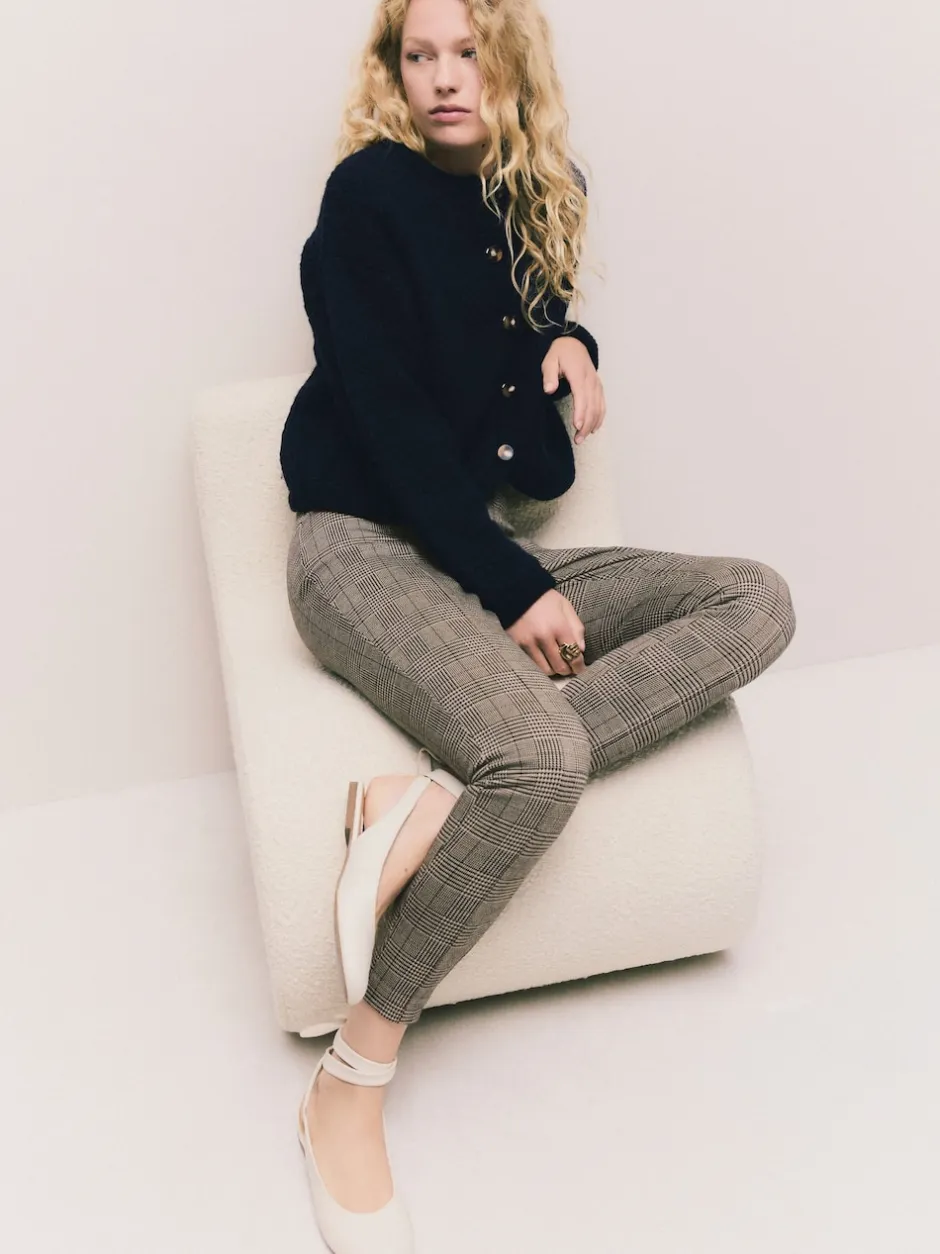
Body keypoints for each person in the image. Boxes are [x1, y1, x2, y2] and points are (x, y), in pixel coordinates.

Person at [280, 2, 797, 1250]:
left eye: (468, 52)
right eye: (418, 55)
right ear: (392, 71)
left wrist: (568, 337)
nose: (443, 79)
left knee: (755, 598)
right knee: (543, 757)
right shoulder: (366, 197)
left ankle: (425, 805)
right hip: (363, 547)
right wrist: (513, 588)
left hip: (472, 544)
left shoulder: (538, 191)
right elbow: (395, 427)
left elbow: (501, 344)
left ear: (510, 62)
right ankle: (352, 1075)